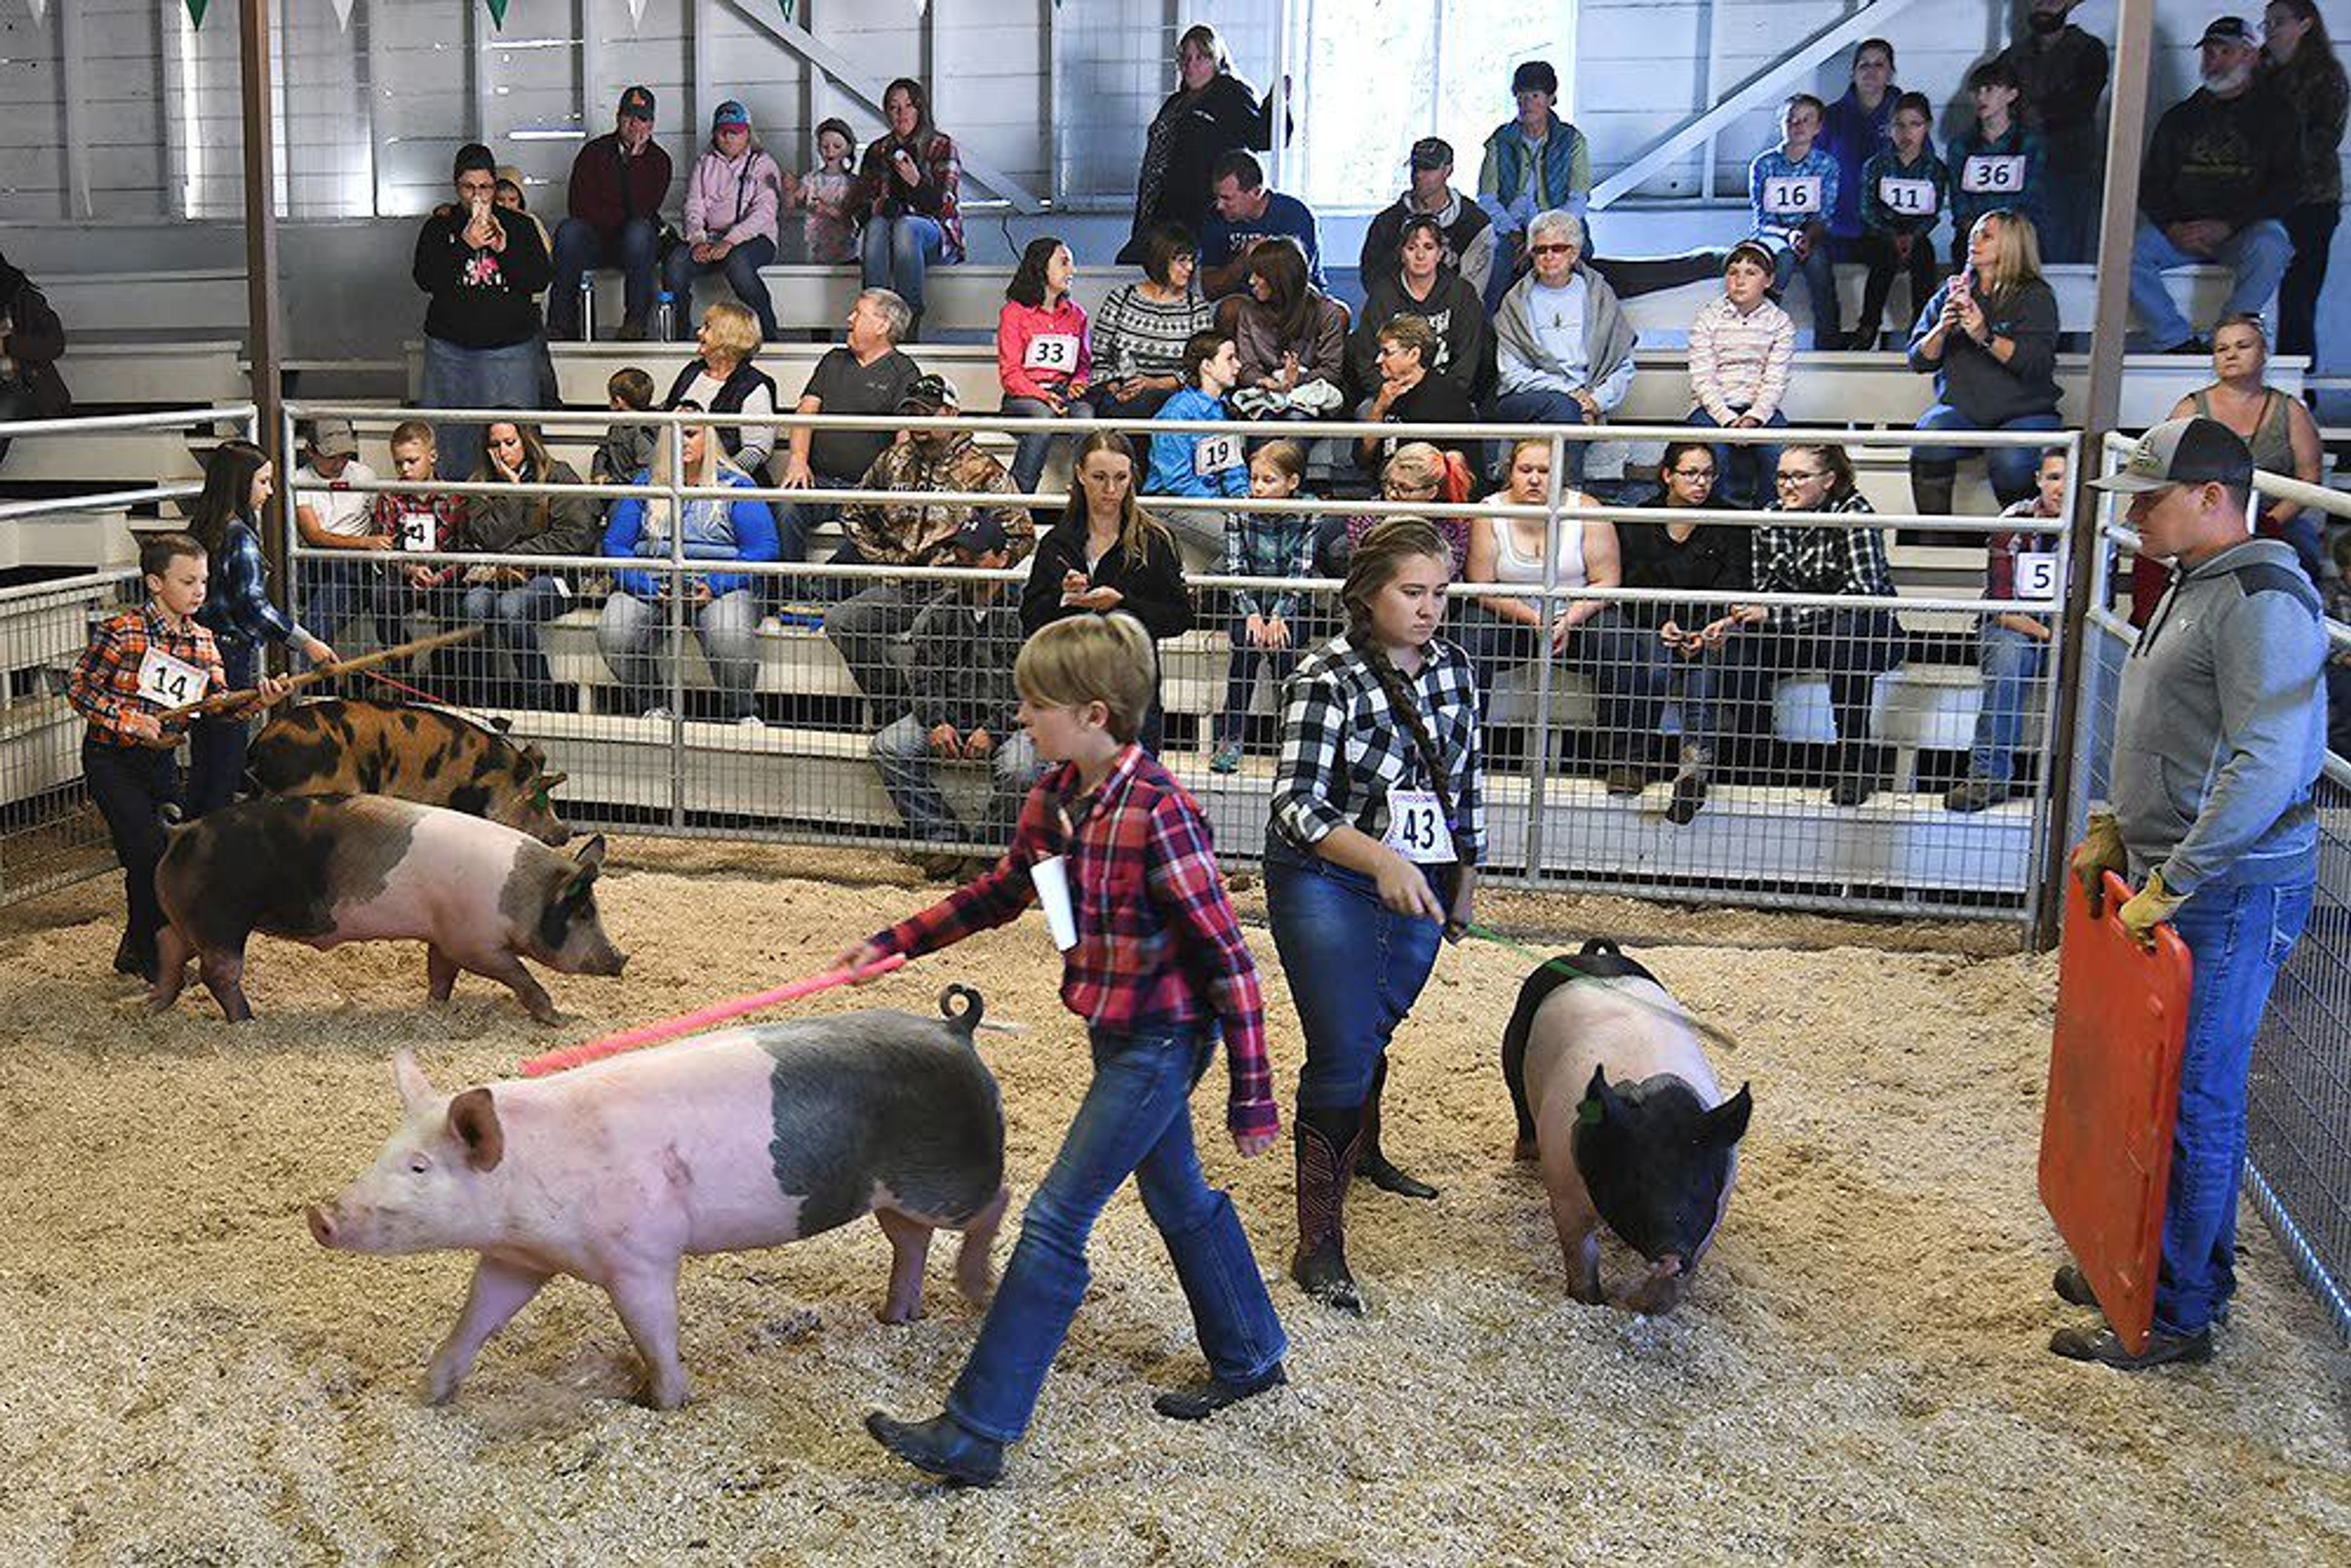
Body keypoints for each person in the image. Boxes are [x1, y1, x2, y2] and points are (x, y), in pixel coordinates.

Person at [852, 612, 1288, 1490]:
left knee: (1055, 1218)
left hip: (1161, 1043)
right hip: (1111, 1028)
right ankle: (1251, 1353)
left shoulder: (1163, 812)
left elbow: (1228, 959)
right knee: (1179, 1193)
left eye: (1036, 704)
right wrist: (898, 940)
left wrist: (1253, 1092)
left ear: (1095, 713)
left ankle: (978, 1430)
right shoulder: (1054, 796)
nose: (1022, 716)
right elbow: (1006, 891)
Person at [2062, 416, 2327, 1370]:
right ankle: (2162, 1269)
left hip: (2225, 894)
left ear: (2214, 497)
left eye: (2150, 497)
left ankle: (2177, 1310)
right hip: (2184, 880)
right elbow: (2181, 732)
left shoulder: (2261, 596)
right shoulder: (2200, 583)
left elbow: (2266, 764)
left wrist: (2177, 876)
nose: (2134, 515)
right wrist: (2119, 828)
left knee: (2197, 1098)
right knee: (2164, 1088)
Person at [1266, 517, 1484, 1313]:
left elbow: (1466, 779)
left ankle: (1363, 1152)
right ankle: (1317, 1241)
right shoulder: (1326, 674)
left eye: (1440, 594)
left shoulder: (1456, 668)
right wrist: (1382, 859)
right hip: (1325, 878)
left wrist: (1467, 871)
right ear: (1369, 594)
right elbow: (1295, 803)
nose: (1429, 609)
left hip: (1420, 875)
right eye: (1412, 592)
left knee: (1373, 1028)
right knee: (1342, 1045)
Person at [69, 533, 288, 983]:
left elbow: (218, 706)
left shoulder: (202, 640)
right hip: (112, 758)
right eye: (188, 581)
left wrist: (257, 700)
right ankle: (156, 961)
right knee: (148, 852)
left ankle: (135, 947)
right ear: (154, 582)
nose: (200, 591)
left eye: (203, 581)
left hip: (162, 761)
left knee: (166, 851)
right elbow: (79, 687)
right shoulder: (122, 632)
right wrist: (126, 720)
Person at [1460, 435, 1650, 793]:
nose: (1534, 479)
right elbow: (1481, 583)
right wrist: (1533, 619)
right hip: (1510, 614)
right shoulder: (1490, 511)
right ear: (1510, 473)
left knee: (1621, 644)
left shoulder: (1586, 508)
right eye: (1525, 470)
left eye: (1544, 471)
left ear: (1560, 476)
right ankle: (1461, 751)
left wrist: (1569, 618)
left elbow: (1607, 580)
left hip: (1577, 613)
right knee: (1469, 638)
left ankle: (1624, 760)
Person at [824, 375, 1016, 724]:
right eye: (912, 412)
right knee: (842, 620)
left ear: (952, 413)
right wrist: (884, 558)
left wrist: (978, 577)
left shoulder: (984, 469)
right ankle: (897, 711)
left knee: (930, 630)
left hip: (955, 592)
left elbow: (1019, 532)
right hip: (901, 587)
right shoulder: (892, 460)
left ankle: (939, 717)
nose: (919, 421)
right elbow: (853, 510)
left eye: (928, 412)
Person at [866, 512, 1040, 876]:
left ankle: (985, 850)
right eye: (960, 557)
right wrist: (936, 722)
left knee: (1020, 769)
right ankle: (942, 838)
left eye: (975, 558)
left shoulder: (1027, 612)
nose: (965, 565)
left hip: (1014, 721)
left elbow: (1031, 683)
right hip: (951, 714)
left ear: (1002, 558)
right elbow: (924, 673)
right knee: (888, 746)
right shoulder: (939, 611)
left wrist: (995, 729)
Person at [1736, 443, 1902, 806]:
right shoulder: (1770, 515)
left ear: (1829, 480)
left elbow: (1864, 594)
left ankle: (1855, 762)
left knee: (1847, 636)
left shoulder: (1854, 513)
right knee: (1736, 643)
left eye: (1799, 476)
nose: (1787, 486)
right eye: (1781, 477)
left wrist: (1779, 615)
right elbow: (1766, 588)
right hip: (1801, 630)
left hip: (1865, 629)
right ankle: (1758, 756)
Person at [2131, 17, 2303, 355]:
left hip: (2243, 231)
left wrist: (2229, 225)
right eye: (2209, 52)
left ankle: (2224, 338)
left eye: (2226, 51)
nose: (2215, 60)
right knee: (2125, 253)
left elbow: (2289, 185)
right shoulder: (2180, 117)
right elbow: (2151, 184)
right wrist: (2173, 226)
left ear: (2251, 56)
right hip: (2181, 233)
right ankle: (2176, 341)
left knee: (2273, 246)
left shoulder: (2278, 115)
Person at [596, 409, 780, 725]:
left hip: (721, 583)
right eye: (676, 435)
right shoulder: (645, 485)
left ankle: (742, 713)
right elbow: (615, 545)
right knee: (615, 631)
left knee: (728, 633)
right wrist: (647, 587)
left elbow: (764, 548)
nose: (683, 442)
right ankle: (653, 705)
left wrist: (716, 585)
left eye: (692, 434)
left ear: (708, 438)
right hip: (654, 581)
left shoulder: (736, 486)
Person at [184, 440, 335, 817]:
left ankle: (192, 832)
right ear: (241, 484)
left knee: (207, 757)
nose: (270, 491)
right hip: (231, 653)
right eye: (264, 482)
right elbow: (253, 606)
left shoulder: (203, 526)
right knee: (227, 757)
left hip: (197, 651)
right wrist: (307, 642)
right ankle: (214, 842)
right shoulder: (239, 536)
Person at [1022, 432, 1192, 755]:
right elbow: (1031, 617)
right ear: (1080, 475)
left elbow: (1179, 616)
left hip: (1134, 697)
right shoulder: (1057, 542)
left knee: (1134, 793)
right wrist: (1064, 597)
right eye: (1100, 477)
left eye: (1121, 478)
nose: (1111, 490)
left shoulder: (1154, 540)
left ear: (1132, 477)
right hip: (1071, 692)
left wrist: (1123, 605)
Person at [1619, 442, 1756, 824]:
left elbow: (1736, 579)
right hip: (1654, 623)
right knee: (1655, 668)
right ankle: (1636, 759)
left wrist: (1711, 627)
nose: (1701, 482)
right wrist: (1662, 621)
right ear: (1667, 475)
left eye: (1708, 474)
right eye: (1691, 473)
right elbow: (1632, 584)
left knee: (1705, 675)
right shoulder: (1639, 519)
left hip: (1711, 625)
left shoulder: (1730, 519)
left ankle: (1694, 774)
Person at [1907, 209, 2063, 522]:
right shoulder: (1949, 294)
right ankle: (1934, 541)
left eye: (1986, 236)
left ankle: (2020, 540)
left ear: (2011, 245)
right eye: (1975, 233)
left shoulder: (2035, 296)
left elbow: (2035, 364)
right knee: (1928, 437)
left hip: (2025, 410)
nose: (1974, 241)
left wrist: (1984, 336)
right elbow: (1918, 360)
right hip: (1963, 410)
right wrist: (1942, 329)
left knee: (2011, 459)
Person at [414, 143, 552, 484]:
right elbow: (426, 279)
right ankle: (453, 510)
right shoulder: (439, 227)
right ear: (456, 186)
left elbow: (538, 280)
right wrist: (465, 246)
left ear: (495, 185)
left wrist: (503, 249)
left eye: (486, 187)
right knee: (452, 436)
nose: (478, 195)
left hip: (510, 348)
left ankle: (519, 506)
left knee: (515, 439)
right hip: (452, 350)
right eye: (469, 188)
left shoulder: (520, 226)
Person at [2163, 313, 2329, 585]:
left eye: (2242, 346)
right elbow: (2165, 470)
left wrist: (2268, 523)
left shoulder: (2291, 411)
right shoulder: (2190, 408)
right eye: (2222, 349)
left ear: (2263, 353)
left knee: (2302, 557)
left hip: (2274, 520)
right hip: (2202, 516)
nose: (2231, 355)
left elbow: (2309, 479)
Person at [1944, 446, 2066, 814]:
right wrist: (2049, 637)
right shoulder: (2016, 519)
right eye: (2054, 477)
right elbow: (2002, 605)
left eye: (2070, 478)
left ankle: (2098, 790)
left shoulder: (2097, 524)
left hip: (2067, 625)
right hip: (2013, 623)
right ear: (2039, 482)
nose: (2061, 488)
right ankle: (1988, 779)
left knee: (2108, 656)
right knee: (2009, 656)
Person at [456, 420, 598, 710]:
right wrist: (513, 492)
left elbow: (575, 537)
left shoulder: (558, 475)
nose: (503, 451)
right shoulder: (480, 484)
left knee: (511, 608)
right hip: (497, 577)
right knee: (473, 606)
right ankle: (479, 705)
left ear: (527, 441)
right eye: (495, 445)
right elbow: (488, 537)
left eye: (510, 443)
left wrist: (520, 556)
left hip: (553, 577)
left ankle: (541, 702)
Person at [774, 288, 920, 565]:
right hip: (820, 482)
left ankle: (820, 590)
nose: (849, 319)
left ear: (883, 325)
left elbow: (906, 438)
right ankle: (790, 593)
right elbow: (806, 410)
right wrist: (797, 460)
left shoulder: (905, 371)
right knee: (785, 507)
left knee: (881, 527)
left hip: (868, 489)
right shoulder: (833, 360)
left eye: (858, 313)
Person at [1492, 210, 1637, 484]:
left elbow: (1622, 363)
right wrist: (1571, 396)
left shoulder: (1598, 295)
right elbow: (1511, 373)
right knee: (1562, 408)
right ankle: (1568, 488)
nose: (1549, 256)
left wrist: (1595, 402)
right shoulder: (1516, 301)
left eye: (1558, 248)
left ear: (1574, 253)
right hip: (1526, 398)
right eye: (1540, 250)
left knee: (1566, 410)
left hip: (1589, 396)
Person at [1120, 23, 1283, 266]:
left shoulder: (1231, 94)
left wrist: (1277, 101)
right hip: (1161, 209)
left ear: (1216, 60)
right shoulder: (1176, 102)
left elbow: (1263, 137)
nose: (1191, 66)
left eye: (1201, 58)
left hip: (1201, 212)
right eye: (1185, 58)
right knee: (1134, 262)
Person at [1212, 440, 1317, 775]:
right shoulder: (1239, 509)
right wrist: (1254, 613)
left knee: (1285, 652)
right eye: (1254, 479)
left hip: (1291, 601)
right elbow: (1235, 567)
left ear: (1293, 483)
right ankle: (1230, 739)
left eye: (1268, 481)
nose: (1257, 487)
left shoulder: (1309, 510)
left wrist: (1279, 615)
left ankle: (1290, 740)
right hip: (1250, 601)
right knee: (1244, 647)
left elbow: (1301, 569)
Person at [2260, 0, 2349, 361]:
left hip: (2312, 199)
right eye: (2267, 22)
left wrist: (2274, 153)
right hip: (2264, 198)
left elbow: (2325, 136)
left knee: (2299, 295)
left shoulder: (2324, 74)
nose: (2270, 29)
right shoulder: (2261, 70)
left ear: (2305, 25)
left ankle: (2298, 381)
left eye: (2279, 22)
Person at [549, 85, 673, 342]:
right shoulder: (594, 152)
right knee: (568, 231)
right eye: (628, 116)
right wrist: (621, 219)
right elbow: (579, 207)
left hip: (635, 245)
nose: (634, 123)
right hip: (597, 241)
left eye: (642, 118)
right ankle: (561, 325)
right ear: (618, 117)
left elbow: (644, 211)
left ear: (651, 124)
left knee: (639, 231)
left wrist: (636, 161)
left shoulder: (659, 161)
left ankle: (635, 322)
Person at [1994, 0, 2112, 264]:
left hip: (2067, 162)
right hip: (2020, 166)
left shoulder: (2088, 50)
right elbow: (1995, 100)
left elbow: (2082, 100)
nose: (2044, 5)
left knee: (2063, 254)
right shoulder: (2013, 56)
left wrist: (2035, 112)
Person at [1685, 241, 1795, 510]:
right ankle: (1718, 528)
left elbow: (1775, 379)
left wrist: (1755, 417)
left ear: (1768, 280)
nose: (1740, 281)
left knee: (1779, 457)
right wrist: (1727, 420)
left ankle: (1768, 525)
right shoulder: (1708, 318)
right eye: (1733, 272)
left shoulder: (1779, 322)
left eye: (1751, 273)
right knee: (1714, 456)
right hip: (1711, 409)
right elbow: (1702, 379)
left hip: (1759, 409)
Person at [663, 100, 784, 342]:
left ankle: (768, 333)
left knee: (738, 262)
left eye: (736, 132)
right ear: (715, 134)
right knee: (676, 262)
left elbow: (765, 212)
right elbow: (694, 205)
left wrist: (731, 241)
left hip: (754, 240)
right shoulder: (704, 163)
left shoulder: (764, 164)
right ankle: (679, 334)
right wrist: (697, 240)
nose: (729, 138)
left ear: (748, 133)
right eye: (723, 132)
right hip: (711, 240)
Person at [1477, 59, 1592, 313]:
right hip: (1511, 228)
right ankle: (1490, 334)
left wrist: (1547, 237)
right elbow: (1487, 199)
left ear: (1551, 99)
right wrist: (1515, 235)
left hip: (1559, 226)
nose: (1526, 103)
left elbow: (1578, 199)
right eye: (1521, 96)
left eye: (1535, 95)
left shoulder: (1572, 141)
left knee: (1585, 271)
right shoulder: (1500, 140)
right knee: (1493, 276)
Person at [1346, 214, 1494, 408]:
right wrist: (1389, 394)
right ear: (1401, 253)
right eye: (1411, 248)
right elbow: (1366, 359)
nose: (1420, 256)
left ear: (1440, 253)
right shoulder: (1383, 295)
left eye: (1429, 247)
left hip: (1447, 397)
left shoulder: (1462, 293)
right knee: (1365, 413)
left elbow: (1468, 362)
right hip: (1391, 395)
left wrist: (1439, 398)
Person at [853, 78, 964, 334]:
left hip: (935, 236)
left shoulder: (941, 145)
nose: (902, 113)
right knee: (877, 226)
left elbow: (944, 207)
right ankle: (874, 314)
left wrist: (915, 182)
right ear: (887, 112)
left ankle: (908, 321)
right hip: (887, 238)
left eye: (908, 106)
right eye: (894, 107)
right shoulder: (878, 150)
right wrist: (881, 206)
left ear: (920, 109)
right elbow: (860, 208)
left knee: (906, 227)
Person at [370, 421, 470, 682]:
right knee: (381, 596)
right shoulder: (390, 498)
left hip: (444, 577)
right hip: (404, 574)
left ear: (432, 457)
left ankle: (444, 673)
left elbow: (465, 551)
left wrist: (441, 576)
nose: (405, 469)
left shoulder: (454, 498)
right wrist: (410, 569)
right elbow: (386, 547)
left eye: (412, 461)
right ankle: (401, 663)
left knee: (457, 608)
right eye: (399, 463)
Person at [1090, 222, 1217, 425]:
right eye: (1182, 261)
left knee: (1154, 405)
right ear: (1161, 259)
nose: (1190, 268)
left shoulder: (1197, 309)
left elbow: (1202, 367)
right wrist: (1117, 387)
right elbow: (1099, 358)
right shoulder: (1121, 298)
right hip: (1121, 394)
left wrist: (1154, 384)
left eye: (1192, 261)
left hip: (1173, 398)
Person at [1747, 94, 1845, 348]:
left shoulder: (1826, 165)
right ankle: (1758, 333)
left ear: (1818, 127)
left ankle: (1829, 341)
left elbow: (1824, 214)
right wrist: (1787, 236)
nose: (1798, 125)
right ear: (1782, 124)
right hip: (1772, 235)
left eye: (1806, 120)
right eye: (1791, 120)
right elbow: (1762, 219)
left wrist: (1807, 237)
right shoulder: (1764, 164)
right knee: (1784, 258)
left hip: (1810, 234)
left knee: (1819, 263)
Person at [997, 237, 1095, 495]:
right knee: (1042, 416)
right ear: (1041, 268)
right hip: (1025, 397)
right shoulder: (1014, 313)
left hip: (1063, 394)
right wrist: (1043, 395)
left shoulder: (1078, 315)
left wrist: (1077, 383)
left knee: (1085, 415)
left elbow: (1083, 366)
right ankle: (1017, 498)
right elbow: (1011, 375)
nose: (1071, 271)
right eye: (1063, 263)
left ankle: (1083, 493)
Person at [1144, 331, 1250, 563]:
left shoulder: (1224, 409)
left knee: (1259, 535)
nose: (1238, 365)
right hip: (1173, 503)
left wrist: (1243, 500)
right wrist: (1224, 506)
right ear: (1207, 366)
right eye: (1230, 358)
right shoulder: (1176, 413)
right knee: (1242, 542)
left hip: (1212, 500)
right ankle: (1208, 595)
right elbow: (1177, 481)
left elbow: (1233, 466)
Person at [1856, 93, 1949, 352]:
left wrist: (1913, 236)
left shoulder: (1935, 169)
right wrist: (1891, 235)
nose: (1906, 132)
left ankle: (1921, 326)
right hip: (1880, 236)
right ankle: (1868, 325)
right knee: (1884, 258)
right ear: (1889, 129)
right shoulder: (1876, 166)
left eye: (1915, 125)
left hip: (1916, 236)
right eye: (1899, 125)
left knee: (1925, 259)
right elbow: (1867, 209)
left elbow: (1934, 212)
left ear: (1927, 127)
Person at [290, 416, 388, 652]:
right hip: (317, 563)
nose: (339, 463)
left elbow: (380, 520)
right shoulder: (299, 480)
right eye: (331, 456)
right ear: (310, 451)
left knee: (317, 620)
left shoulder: (364, 475)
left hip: (354, 567)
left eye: (345, 455)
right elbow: (314, 535)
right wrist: (365, 542)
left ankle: (306, 676)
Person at [1226, 238, 1349, 424]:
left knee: (1295, 419)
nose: (1251, 281)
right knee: (1263, 422)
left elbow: (1332, 371)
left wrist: (1297, 379)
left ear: (1280, 279)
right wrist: (1268, 382)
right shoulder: (1249, 313)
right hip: (1265, 394)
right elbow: (1247, 368)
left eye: (1259, 275)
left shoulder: (1326, 312)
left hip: (1309, 396)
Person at [1360, 137, 1498, 300]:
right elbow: (1372, 279)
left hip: (1455, 316)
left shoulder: (1475, 225)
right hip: (1397, 315)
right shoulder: (1387, 223)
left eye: (1428, 169)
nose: (1418, 175)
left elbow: (1471, 291)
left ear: (1448, 171)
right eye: (1416, 168)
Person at [1946, 59, 2049, 271]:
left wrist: (2004, 232)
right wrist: (1978, 231)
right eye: (1977, 91)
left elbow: (2031, 197)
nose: (1981, 97)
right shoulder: (1960, 146)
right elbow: (1959, 200)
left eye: (1990, 90)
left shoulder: (2031, 144)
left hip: (2016, 237)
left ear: (2011, 95)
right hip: (1974, 237)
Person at [660, 301, 779, 479]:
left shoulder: (754, 387)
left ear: (727, 337)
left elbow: (755, 453)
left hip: (730, 490)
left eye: (707, 327)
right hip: (677, 479)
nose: (699, 332)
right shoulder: (691, 372)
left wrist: (716, 477)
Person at [1352, 315, 1481, 478]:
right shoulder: (1384, 395)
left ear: (1414, 355)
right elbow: (1362, 459)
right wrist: (1378, 409)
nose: (1378, 360)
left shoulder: (1448, 399)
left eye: (1387, 352)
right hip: (1388, 491)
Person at [1197, 151, 1328, 301]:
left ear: (1257, 192)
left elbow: (1296, 280)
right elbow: (1209, 288)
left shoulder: (1295, 215)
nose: (1220, 206)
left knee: (1339, 313)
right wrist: (1242, 262)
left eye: (1227, 199)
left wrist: (1265, 257)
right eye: (1218, 197)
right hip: (1246, 302)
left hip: (1299, 300)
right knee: (1231, 310)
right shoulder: (1215, 219)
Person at [1820, 38, 1900, 258]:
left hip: (1890, 229)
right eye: (1864, 65)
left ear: (1891, 72)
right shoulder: (1830, 117)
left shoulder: (1907, 118)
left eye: (1879, 65)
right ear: (1853, 73)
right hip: (1838, 229)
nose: (1871, 71)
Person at [0, 245, 68, 468]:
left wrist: (7, 345)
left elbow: (55, 343)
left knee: (6, 409)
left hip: (26, 386)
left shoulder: (20, 297)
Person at [784, 117, 860, 266]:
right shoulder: (811, 179)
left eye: (837, 146)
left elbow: (852, 219)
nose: (830, 151)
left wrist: (827, 209)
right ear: (819, 148)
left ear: (848, 149)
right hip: (817, 252)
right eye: (825, 146)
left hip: (847, 254)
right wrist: (789, 189)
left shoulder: (853, 183)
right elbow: (791, 206)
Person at [590, 367, 658, 489]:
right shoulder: (616, 426)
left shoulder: (642, 431)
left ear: (618, 401)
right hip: (614, 489)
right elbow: (602, 453)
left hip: (632, 495)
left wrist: (614, 481)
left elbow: (646, 471)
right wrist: (599, 473)